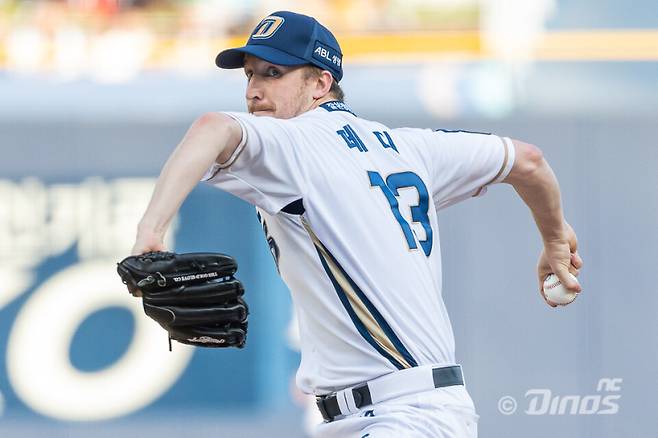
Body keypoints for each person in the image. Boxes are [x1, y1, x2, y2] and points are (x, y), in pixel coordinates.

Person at [131, 10, 583, 438]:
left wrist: (150, 233)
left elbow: (212, 127)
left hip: (404, 415)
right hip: (395, 414)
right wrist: (554, 237)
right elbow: (528, 160)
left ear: (320, 83)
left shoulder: (295, 144)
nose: (253, 90)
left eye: (273, 73)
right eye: (250, 74)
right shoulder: (412, 148)